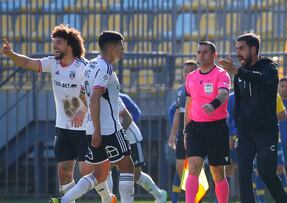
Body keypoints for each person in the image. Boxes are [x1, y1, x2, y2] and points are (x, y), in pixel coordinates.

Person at [1, 24, 114, 202]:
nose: (54, 46)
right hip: (63, 128)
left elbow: (95, 95)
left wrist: (82, 111)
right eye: (53, 42)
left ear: (70, 45)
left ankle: (108, 198)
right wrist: (11, 54)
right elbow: (27, 62)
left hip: (85, 129)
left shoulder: (84, 67)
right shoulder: (53, 63)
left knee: (87, 171)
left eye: (59, 43)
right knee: (64, 171)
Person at [50, 31, 135, 203]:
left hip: (90, 128)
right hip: (108, 128)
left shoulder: (90, 65)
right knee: (128, 167)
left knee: (99, 173)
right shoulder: (105, 67)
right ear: (111, 47)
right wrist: (98, 128)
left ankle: (64, 200)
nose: (123, 50)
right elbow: (95, 97)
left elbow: (82, 94)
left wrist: (90, 120)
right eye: (121, 45)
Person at [219, 33, 287, 203]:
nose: (238, 53)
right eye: (236, 49)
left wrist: (237, 71)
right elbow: (239, 102)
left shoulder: (269, 67)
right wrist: (238, 128)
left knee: (267, 173)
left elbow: (262, 79)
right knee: (243, 173)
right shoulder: (241, 73)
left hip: (266, 131)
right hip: (245, 132)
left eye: (241, 48)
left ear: (254, 49)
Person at [184, 41, 231, 203]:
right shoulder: (191, 77)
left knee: (218, 172)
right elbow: (189, 104)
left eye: (204, 52)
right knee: (193, 167)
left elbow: (224, 94)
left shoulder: (222, 74)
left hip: (217, 127)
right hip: (195, 128)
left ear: (213, 55)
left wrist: (213, 105)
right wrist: (185, 130)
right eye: (199, 52)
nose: (201, 55)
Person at [117, 93, 167, 203]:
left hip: (132, 139)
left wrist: (123, 130)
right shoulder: (96, 97)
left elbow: (135, 113)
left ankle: (159, 195)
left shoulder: (120, 97)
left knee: (135, 174)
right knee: (105, 169)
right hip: (115, 140)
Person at [167, 60, 198, 203]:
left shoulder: (201, 87)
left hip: (197, 134)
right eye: (185, 71)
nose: (188, 73)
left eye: (191, 70)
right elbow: (178, 113)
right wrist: (173, 134)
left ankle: (195, 198)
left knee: (195, 169)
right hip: (182, 135)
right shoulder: (180, 91)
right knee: (180, 169)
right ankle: (192, 196)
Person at [253, 94, 287, 203]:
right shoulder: (250, 94)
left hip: (273, 140)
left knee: (278, 169)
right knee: (259, 171)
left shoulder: (274, 95)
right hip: (255, 140)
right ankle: (260, 200)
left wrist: (268, 115)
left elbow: (283, 114)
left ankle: (285, 198)